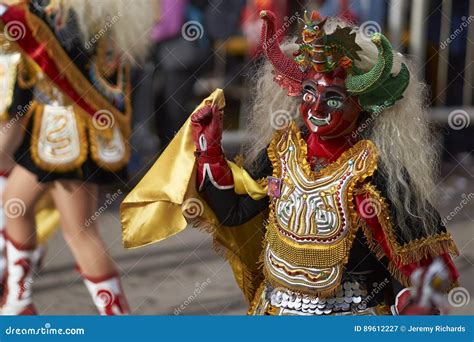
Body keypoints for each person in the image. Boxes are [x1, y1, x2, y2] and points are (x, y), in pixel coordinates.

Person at [121, 10, 459, 315]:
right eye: (310, 94)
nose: (317, 109)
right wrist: (209, 149)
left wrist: (415, 304)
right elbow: (234, 213)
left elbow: (429, 272)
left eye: (333, 99)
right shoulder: (282, 151)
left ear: (363, 106)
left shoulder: (377, 174)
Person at [0, 0, 153, 315]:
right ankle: (19, 300)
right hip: (52, 132)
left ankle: (117, 318)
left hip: (74, 135)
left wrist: (18, 17)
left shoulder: (82, 12)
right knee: (16, 204)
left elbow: (63, 55)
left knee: (80, 232)